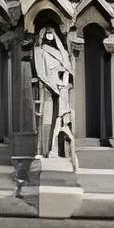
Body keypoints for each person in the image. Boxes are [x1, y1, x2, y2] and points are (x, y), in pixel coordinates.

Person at [31, 23, 77, 167]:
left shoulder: (60, 52)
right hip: (47, 88)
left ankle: (57, 150)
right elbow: (40, 72)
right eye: (47, 33)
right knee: (46, 121)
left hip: (61, 88)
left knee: (61, 119)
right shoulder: (39, 50)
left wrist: (63, 81)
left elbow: (67, 66)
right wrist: (54, 84)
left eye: (52, 33)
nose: (50, 36)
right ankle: (45, 150)